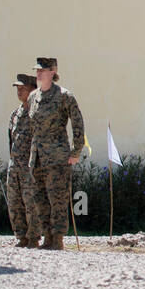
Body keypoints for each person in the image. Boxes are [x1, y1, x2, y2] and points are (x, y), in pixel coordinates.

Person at [26, 57, 84, 250]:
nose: (38, 73)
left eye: (42, 70)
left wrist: (76, 151)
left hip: (57, 157)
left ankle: (57, 239)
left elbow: (77, 123)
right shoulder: (33, 97)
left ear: (52, 72)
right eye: (37, 70)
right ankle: (47, 236)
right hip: (38, 158)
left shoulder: (64, 96)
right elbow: (30, 128)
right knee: (40, 199)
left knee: (57, 199)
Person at [6, 74, 42, 247]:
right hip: (15, 165)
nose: (19, 92)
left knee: (31, 202)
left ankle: (33, 237)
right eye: (17, 89)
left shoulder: (38, 113)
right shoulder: (16, 113)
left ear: (33, 90)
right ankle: (21, 236)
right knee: (14, 201)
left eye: (23, 88)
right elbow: (10, 139)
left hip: (30, 166)